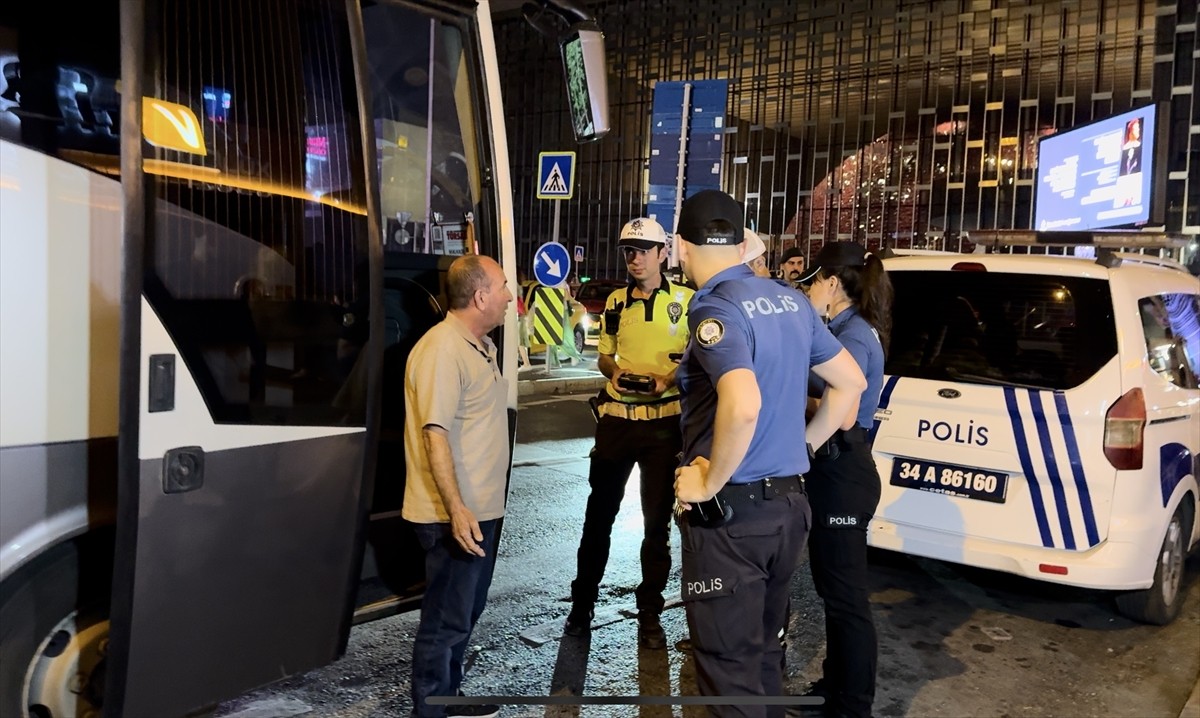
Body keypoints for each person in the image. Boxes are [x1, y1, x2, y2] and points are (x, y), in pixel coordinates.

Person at [672, 190, 867, 716]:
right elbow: (850, 383)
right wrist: (804, 445)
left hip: (732, 520)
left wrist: (708, 481)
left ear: (680, 246)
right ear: (741, 245)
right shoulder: (790, 301)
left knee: (729, 672)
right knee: (763, 658)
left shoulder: (715, 307)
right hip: (788, 511)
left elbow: (743, 403)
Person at [564, 217, 694, 650]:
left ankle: (650, 613)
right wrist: (615, 373)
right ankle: (582, 606)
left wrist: (667, 379)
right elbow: (605, 356)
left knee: (657, 527)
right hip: (617, 422)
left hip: (664, 426)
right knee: (598, 518)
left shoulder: (688, 301)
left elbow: (697, 358)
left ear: (663, 253)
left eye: (642, 250)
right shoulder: (616, 302)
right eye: (628, 251)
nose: (635, 259)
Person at [403, 254, 512, 718]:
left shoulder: (478, 345)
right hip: (454, 516)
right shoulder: (442, 350)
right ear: (481, 297)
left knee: (465, 613)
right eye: (503, 287)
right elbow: (435, 434)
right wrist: (457, 509)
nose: (510, 296)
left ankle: (447, 696)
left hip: (480, 512)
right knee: (444, 621)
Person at [796, 242, 893, 718]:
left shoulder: (852, 336)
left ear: (832, 283)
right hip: (837, 471)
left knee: (847, 601)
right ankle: (835, 689)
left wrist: (791, 398)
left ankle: (852, 706)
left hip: (842, 473)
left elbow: (846, 409)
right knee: (835, 596)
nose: (807, 291)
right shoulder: (847, 328)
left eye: (812, 282)